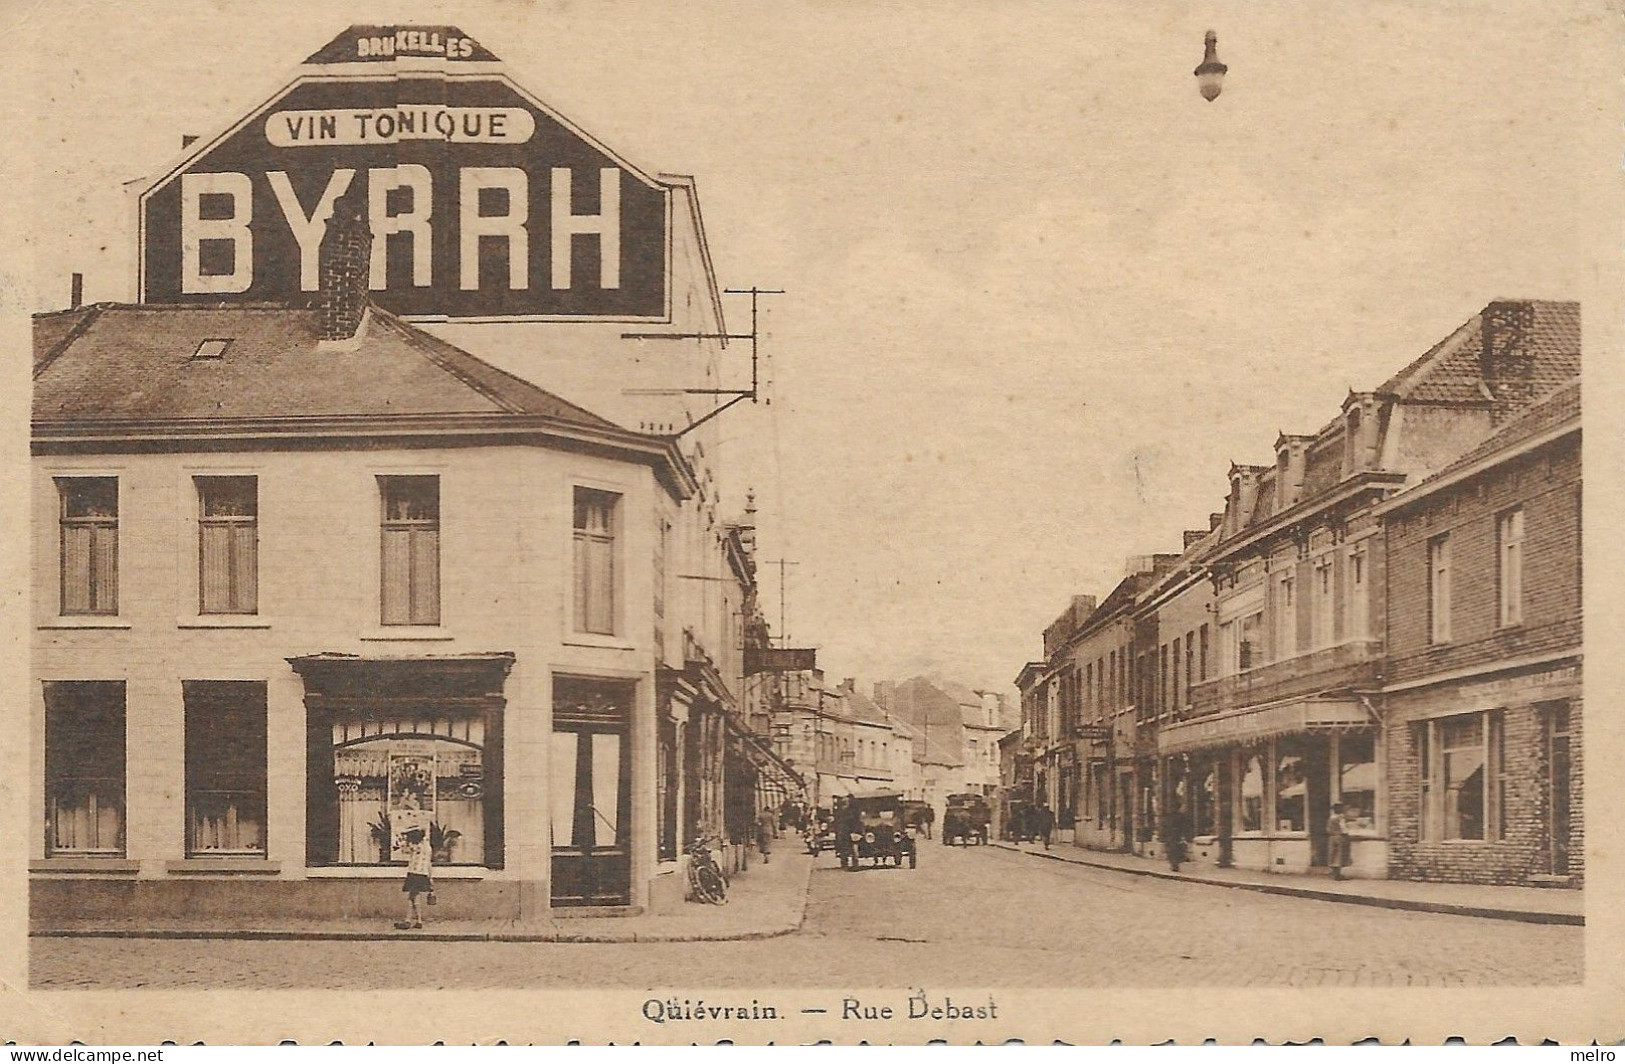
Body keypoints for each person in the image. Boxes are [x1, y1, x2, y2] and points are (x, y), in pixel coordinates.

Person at [395, 826, 432, 930]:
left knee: (412, 898)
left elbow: (403, 850)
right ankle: (417, 920)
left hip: (414, 873)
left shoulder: (414, 846)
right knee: (414, 897)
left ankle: (409, 920)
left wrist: (401, 838)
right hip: (423, 873)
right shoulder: (428, 847)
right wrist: (430, 877)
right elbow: (429, 863)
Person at [1162, 800, 1189, 873]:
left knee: (1173, 850)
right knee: (1175, 850)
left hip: (1172, 836)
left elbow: (1165, 825)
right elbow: (1184, 826)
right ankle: (1175, 865)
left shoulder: (1170, 815)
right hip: (1175, 836)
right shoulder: (1180, 816)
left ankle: (1174, 865)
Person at [1327, 802, 1350, 880]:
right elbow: (1343, 829)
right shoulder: (1340, 818)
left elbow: (1328, 829)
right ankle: (1338, 875)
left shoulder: (1331, 817)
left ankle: (1335, 873)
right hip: (1339, 837)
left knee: (1334, 855)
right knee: (1339, 855)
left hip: (1332, 837)